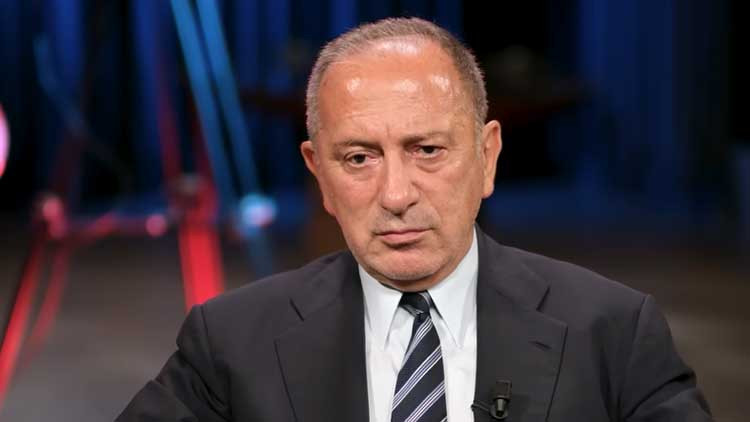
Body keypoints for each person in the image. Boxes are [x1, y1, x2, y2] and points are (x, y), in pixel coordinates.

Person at [117, 17, 711, 422]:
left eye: (427, 150)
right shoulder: (229, 342)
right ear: (319, 174)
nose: (396, 195)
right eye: (359, 159)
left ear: (487, 157)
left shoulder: (614, 334)